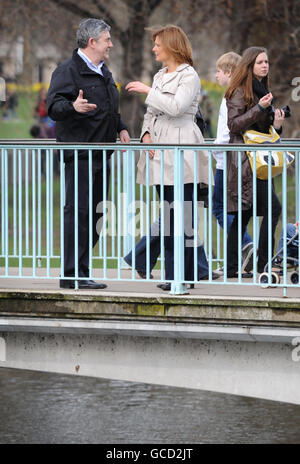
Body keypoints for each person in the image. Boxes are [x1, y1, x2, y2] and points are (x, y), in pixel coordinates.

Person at [125, 24, 217, 291]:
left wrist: (146, 91)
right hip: (160, 149)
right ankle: (171, 274)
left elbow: (176, 108)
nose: (153, 49)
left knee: (184, 215)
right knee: (167, 216)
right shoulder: (159, 76)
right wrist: (145, 135)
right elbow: (151, 114)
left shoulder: (190, 76)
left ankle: (184, 276)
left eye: (157, 44)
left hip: (183, 146)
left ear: (171, 46)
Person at [47, 18, 130, 289]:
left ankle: (81, 271)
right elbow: (54, 108)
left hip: (101, 155)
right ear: (92, 42)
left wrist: (121, 127)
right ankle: (72, 275)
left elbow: (109, 108)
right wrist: (73, 106)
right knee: (78, 214)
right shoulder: (67, 70)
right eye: (107, 39)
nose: (111, 44)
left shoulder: (104, 71)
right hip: (80, 156)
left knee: (96, 216)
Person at [225, 46, 284, 277]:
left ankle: (232, 267)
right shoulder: (239, 91)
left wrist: (277, 123)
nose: (265, 65)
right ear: (249, 66)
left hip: (260, 162)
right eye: (260, 62)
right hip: (244, 164)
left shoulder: (262, 90)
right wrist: (260, 108)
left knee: (244, 214)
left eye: (267, 62)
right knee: (271, 209)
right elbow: (234, 125)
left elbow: (264, 130)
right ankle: (263, 265)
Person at [212, 51, 253, 275]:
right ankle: (236, 258)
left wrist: (215, 149)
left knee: (219, 207)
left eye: (218, 71)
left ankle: (245, 244)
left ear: (228, 72)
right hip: (228, 159)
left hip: (226, 162)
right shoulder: (237, 94)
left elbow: (228, 131)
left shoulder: (231, 96)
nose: (216, 75)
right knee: (230, 209)